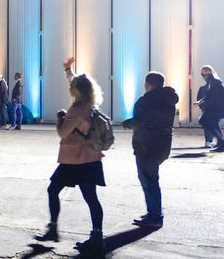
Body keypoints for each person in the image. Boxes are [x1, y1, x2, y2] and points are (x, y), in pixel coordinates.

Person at [35, 57, 105, 254]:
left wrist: (60, 118)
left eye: (72, 87)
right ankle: (97, 235)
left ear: (78, 90)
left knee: (53, 190)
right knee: (91, 198)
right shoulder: (89, 104)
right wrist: (68, 69)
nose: (69, 88)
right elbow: (76, 81)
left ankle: (54, 229)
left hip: (75, 160)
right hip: (90, 159)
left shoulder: (76, 110)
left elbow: (63, 132)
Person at [122, 72, 178, 228]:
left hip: (146, 146)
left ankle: (154, 215)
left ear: (148, 84)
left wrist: (127, 123)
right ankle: (153, 213)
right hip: (163, 145)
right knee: (152, 179)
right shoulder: (169, 100)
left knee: (149, 181)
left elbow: (141, 121)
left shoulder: (146, 101)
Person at [195, 65, 224, 150]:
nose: (202, 76)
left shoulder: (213, 81)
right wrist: (200, 101)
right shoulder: (213, 81)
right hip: (216, 107)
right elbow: (210, 95)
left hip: (216, 108)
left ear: (205, 73)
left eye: (202, 73)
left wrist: (203, 101)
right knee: (213, 123)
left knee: (204, 120)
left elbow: (213, 95)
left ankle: (221, 141)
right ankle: (221, 142)